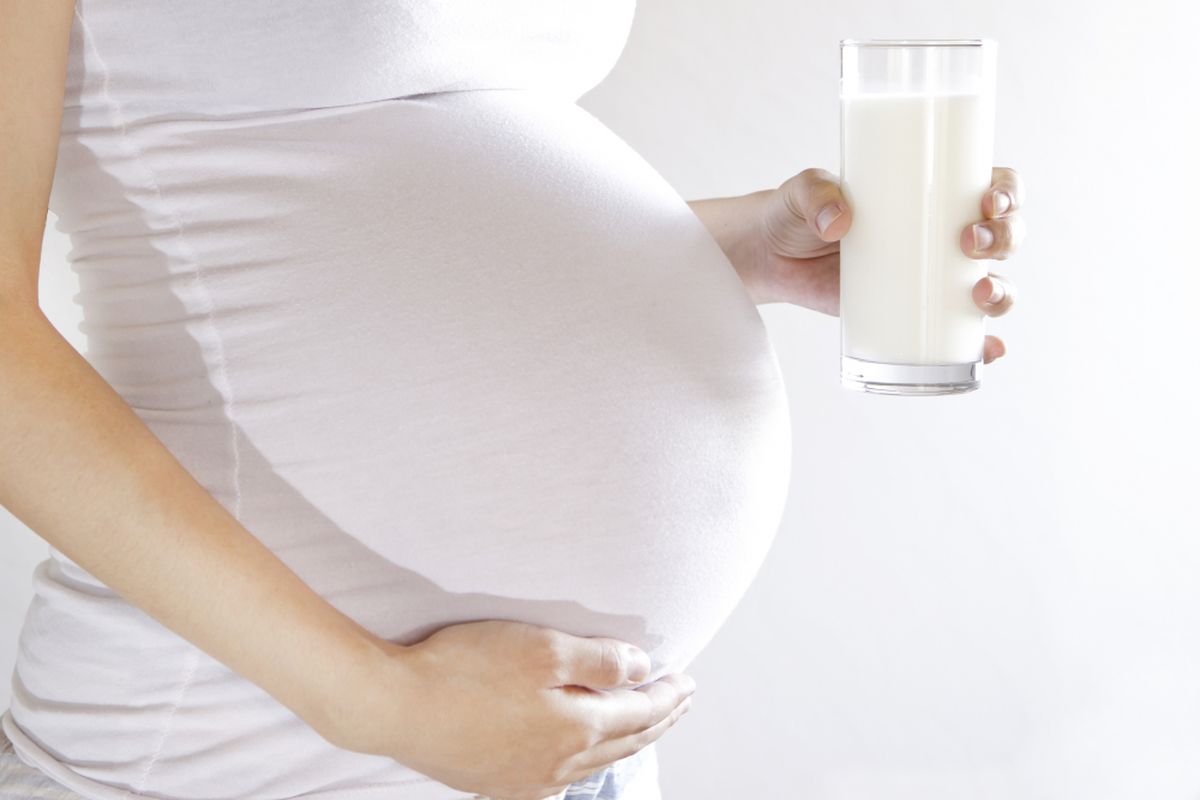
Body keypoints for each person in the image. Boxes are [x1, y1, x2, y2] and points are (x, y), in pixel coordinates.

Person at [0, 3, 1023, 800]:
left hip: (562, 748)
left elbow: (396, 204)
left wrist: (726, 250)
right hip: (250, 753)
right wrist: (380, 702)